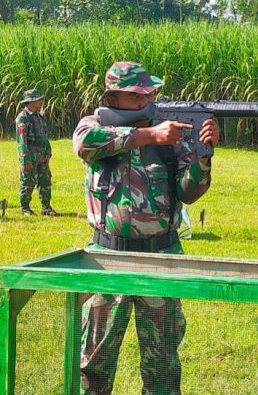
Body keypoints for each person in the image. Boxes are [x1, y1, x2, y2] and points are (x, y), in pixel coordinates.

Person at [73, 61, 220, 394]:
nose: (145, 101)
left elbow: (189, 192)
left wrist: (203, 157)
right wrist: (147, 135)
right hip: (107, 260)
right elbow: (84, 144)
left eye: (149, 93)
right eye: (135, 96)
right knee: (94, 361)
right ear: (113, 97)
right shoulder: (94, 125)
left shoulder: (172, 134)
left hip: (162, 258)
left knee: (163, 364)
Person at [15, 89, 58, 216]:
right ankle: (25, 208)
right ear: (31, 101)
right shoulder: (23, 117)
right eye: (39, 100)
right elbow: (22, 141)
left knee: (45, 180)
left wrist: (48, 152)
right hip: (30, 155)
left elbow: (44, 136)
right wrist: (25, 160)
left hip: (42, 156)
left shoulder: (39, 117)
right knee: (28, 181)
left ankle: (46, 207)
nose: (41, 102)